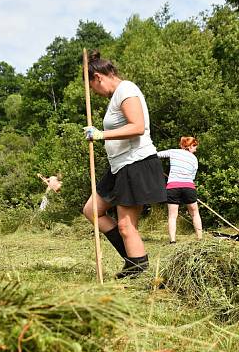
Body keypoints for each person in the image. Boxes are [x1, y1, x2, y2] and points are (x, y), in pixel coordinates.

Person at [83, 50, 167, 278]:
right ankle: (134, 262)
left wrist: (100, 135)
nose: (95, 92)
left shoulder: (126, 89)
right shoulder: (116, 96)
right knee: (92, 210)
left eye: (92, 87)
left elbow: (137, 126)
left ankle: (137, 270)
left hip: (136, 163)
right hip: (118, 166)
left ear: (98, 77)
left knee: (126, 226)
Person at [158, 136, 203, 242]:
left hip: (173, 187)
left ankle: (172, 240)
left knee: (172, 216)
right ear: (190, 145)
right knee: (195, 213)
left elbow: (156, 155)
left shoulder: (173, 152)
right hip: (188, 187)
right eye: (195, 146)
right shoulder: (194, 159)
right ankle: (200, 238)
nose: (195, 149)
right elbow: (192, 177)